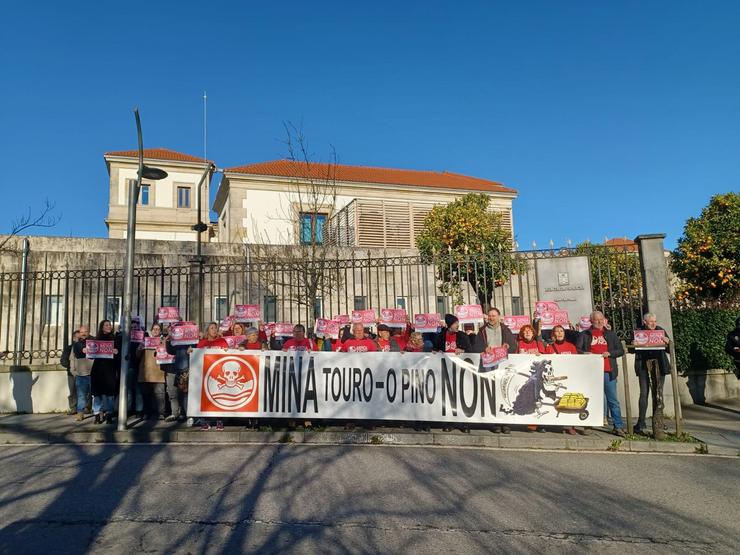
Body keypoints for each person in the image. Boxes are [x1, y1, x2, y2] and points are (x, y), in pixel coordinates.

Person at [578, 310, 626, 437]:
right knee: (590, 399)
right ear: (591, 321)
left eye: (601, 319)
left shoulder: (611, 334)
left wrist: (610, 353)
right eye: (596, 320)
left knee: (613, 400)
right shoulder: (584, 334)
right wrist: (584, 354)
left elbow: (620, 350)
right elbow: (577, 349)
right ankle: (588, 424)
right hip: (591, 372)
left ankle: (618, 426)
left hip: (608, 371)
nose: (599, 322)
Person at [633, 313, 672, 435]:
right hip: (643, 365)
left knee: (658, 393)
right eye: (651, 322)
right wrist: (633, 343)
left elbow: (670, 349)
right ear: (645, 322)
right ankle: (641, 422)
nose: (653, 324)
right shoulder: (638, 331)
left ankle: (659, 421)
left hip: (659, 365)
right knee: (644, 393)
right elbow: (630, 348)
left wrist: (668, 342)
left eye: (655, 321)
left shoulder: (661, 330)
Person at [544, 324, 578, 435]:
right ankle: (550, 424)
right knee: (553, 400)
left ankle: (570, 425)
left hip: (568, 377)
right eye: (557, 331)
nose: (559, 333)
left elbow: (577, 362)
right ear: (553, 334)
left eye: (561, 331)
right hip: (554, 379)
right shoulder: (549, 347)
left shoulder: (571, 346)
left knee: (568, 401)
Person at [195, 322, 228, 430]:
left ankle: (219, 420)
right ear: (207, 330)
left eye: (215, 328)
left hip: (219, 374)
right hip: (205, 374)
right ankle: (205, 420)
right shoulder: (202, 343)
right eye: (211, 328)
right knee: (205, 396)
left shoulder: (222, 341)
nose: (214, 330)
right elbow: (196, 357)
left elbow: (228, 354)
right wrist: (191, 352)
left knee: (219, 397)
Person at [89, 319, 121, 425]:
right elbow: (91, 355)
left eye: (110, 325)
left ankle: (108, 414)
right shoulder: (96, 339)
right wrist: (86, 350)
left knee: (110, 394)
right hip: (98, 370)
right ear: (102, 327)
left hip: (110, 370)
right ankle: (97, 414)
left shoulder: (115, 339)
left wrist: (116, 352)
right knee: (97, 394)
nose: (109, 326)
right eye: (106, 325)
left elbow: (119, 355)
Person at [137, 323, 166, 420]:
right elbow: (137, 355)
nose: (156, 331)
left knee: (160, 395)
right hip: (146, 372)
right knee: (146, 395)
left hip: (159, 371)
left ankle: (161, 413)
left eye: (158, 329)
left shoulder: (163, 341)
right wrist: (140, 348)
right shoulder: (144, 341)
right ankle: (146, 412)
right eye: (154, 329)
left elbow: (167, 354)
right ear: (151, 330)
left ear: (160, 331)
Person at [70, 326, 93, 422]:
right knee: (81, 395)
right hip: (81, 374)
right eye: (81, 332)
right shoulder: (77, 344)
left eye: (85, 331)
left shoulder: (94, 342)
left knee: (96, 395)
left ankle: (98, 412)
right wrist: (74, 371)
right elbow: (74, 357)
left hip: (93, 373)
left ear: (88, 332)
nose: (83, 333)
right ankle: (80, 413)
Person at [60, 330, 79, 415]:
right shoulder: (69, 348)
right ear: (74, 338)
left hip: (83, 372)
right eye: (78, 337)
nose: (80, 339)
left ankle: (86, 408)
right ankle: (73, 408)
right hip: (71, 373)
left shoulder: (85, 347)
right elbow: (63, 360)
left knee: (85, 391)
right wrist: (70, 366)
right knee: (72, 391)